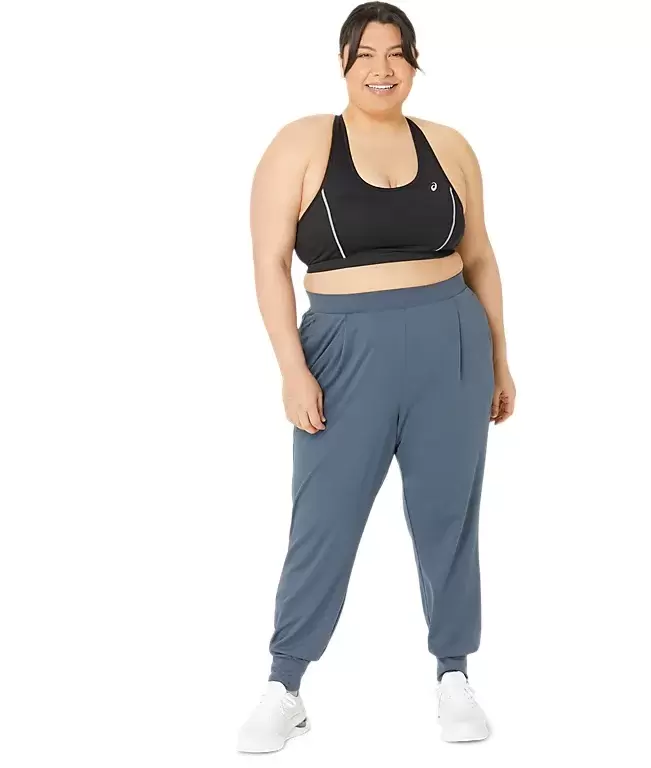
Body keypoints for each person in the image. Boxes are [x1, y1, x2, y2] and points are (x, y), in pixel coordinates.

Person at [238, 2, 515, 752]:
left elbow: (480, 256)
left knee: (448, 516)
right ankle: (284, 683)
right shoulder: (302, 143)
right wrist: (291, 369)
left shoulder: (450, 146)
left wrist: (499, 358)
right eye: (366, 54)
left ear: (415, 63)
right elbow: (269, 263)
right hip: (342, 349)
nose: (382, 69)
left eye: (397, 54)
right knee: (323, 521)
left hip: (450, 344)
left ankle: (453, 674)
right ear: (343, 63)